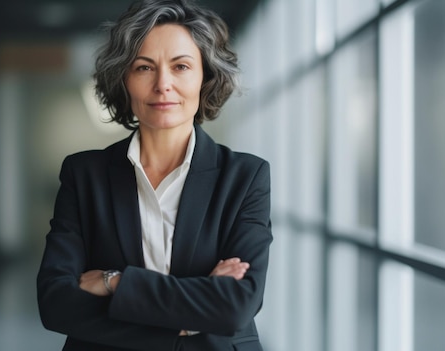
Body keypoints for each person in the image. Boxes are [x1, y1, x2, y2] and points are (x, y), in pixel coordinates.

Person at [36, 0, 272, 350]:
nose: (163, 84)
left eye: (180, 66)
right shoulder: (84, 175)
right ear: (125, 79)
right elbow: (57, 303)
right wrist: (187, 321)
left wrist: (115, 282)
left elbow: (235, 305)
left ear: (205, 76)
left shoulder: (245, 177)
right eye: (144, 68)